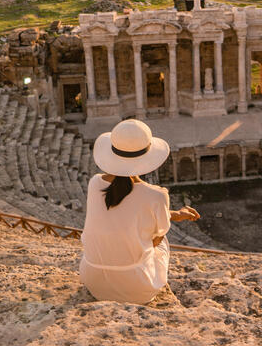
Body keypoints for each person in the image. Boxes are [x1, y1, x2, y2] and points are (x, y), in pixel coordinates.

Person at [79, 119, 199, 304]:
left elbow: (124, 213)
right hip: (136, 288)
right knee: (162, 238)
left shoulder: (95, 183)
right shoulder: (157, 195)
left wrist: (175, 214)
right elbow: (154, 239)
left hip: (94, 281)